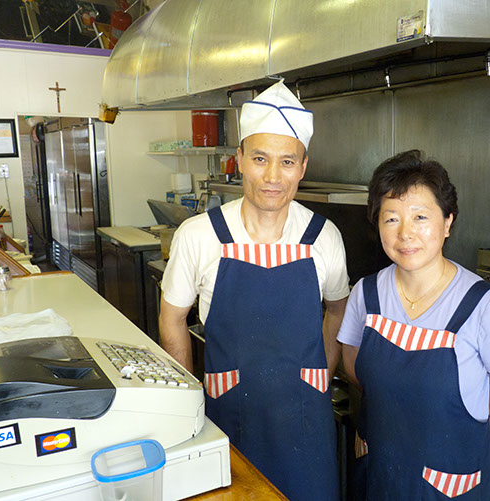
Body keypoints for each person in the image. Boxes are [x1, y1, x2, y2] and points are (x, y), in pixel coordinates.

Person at [159, 81, 349, 501]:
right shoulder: (200, 235)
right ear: (239, 159)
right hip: (229, 414)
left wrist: (322, 376)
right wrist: (189, 409)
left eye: (286, 161)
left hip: (306, 421)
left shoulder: (323, 237)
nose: (272, 177)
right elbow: (172, 317)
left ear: (303, 166)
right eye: (260, 158)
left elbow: (338, 309)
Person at [337, 150, 490, 500]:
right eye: (391, 218)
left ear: (448, 222)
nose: (405, 233)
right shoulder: (364, 295)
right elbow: (354, 369)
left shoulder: (486, 306)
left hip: (449, 481)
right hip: (379, 471)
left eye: (421, 216)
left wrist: (461, 430)